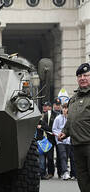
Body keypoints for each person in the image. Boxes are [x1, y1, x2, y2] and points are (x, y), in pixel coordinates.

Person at [59, 62, 90, 192]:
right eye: (79, 76)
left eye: (86, 75)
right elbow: (71, 119)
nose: (82, 78)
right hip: (76, 145)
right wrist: (65, 132)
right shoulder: (73, 99)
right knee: (82, 180)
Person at [52, 103, 76, 180]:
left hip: (68, 141)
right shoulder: (58, 118)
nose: (65, 110)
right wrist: (58, 135)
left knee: (67, 157)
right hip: (60, 140)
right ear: (62, 109)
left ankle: (64, 172)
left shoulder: (70, 119)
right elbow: (54, 129)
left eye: (66, 108)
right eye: (64, 108)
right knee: (63, 156)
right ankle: (65, 172)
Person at [37, 101, 59, 180]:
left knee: (50, 157)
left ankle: (50, 173)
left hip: (49, 140)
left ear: (50, 107)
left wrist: (41, 126)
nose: (44, 107)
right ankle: (42, 173)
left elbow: (50, 129)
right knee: (42, 158)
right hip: (40, 141)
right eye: (44, 106)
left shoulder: (54, 115)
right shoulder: (39, 115)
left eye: (46, 106)